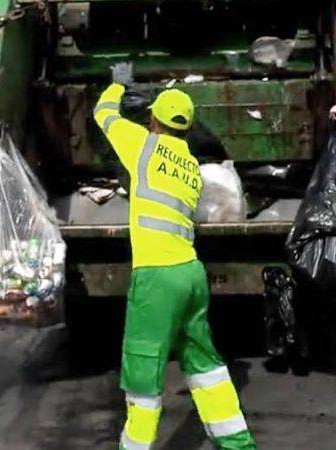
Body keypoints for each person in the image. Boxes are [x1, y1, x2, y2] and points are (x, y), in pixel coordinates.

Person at [93, 63, 257, 450]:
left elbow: (102, 113)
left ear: (152, 119)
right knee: (206, 367)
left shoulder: (142, 145)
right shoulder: (191, 167)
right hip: (191, 276)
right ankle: (238, 444)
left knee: (143, 374)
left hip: (158, 278)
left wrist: (118, 87)